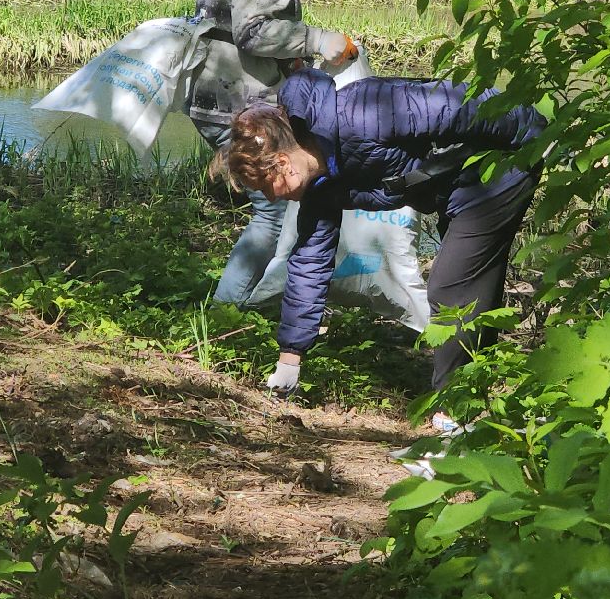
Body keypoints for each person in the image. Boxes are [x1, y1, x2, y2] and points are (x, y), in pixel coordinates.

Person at [209, 67, 546, 404]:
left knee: (451, 288)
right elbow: (310, 263)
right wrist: (289, 359)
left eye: (266, 186)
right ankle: (477, 398)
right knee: (474, 292)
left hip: (499, 172)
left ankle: (454, 415)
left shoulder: (362, 114)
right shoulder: (320, 185)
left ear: (283, 163)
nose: (270, 198)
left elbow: (456, 103)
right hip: (458, 190)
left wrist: (537, 136)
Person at [187, 0, 359, 303]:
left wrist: (291, 65)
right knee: (273, 211)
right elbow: (252, 30)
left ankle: (258, 303)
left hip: (216, 91)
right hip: (235, 99)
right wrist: (318, 41)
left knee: (275, 207)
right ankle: (227, 310)